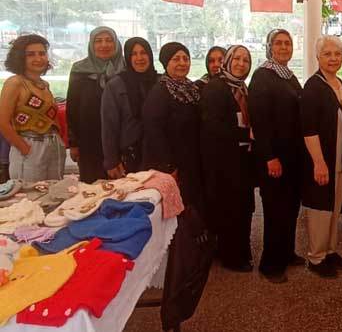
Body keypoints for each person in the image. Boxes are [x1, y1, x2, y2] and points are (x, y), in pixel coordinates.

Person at [142, 42, 211, 330]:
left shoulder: (192, 90)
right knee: (180, 230)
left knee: (192, 224)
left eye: (185, 58)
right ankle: (172, 299)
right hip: (173, 171)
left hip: (194, 167)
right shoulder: (160, 93)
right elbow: (153, 132)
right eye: (175, 59)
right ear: (165, 63)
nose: (182, 63)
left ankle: (186, 280)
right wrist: (169, 168)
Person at [249, 29, 304, 283]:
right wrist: (270, 157)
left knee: (291, 209)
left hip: (292, 157)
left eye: (288, 43)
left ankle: (287, 253)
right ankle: (270, 265)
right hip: (274, 158)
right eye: (278, 43)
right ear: (270, 47)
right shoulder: (263, 76)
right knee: (275, 211)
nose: (284, 47)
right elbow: (259, 121)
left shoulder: (288, 75)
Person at [301, 35, 342, 278]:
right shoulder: (313, 87)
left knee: (335, 206)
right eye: (327, 54)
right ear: (317, 57)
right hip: (322, 160)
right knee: (321, 209)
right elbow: (309, 129)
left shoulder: (338, 82)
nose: (333, 58)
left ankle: (330, 251)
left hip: (340, 160)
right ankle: (316, 257)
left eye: (338, 54)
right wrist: (319, 162)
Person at [201, 45, 255, 273]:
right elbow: (213, 128)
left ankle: (242, 250)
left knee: (243, 206)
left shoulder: (241, 87)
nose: (241, 63)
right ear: (228, 61)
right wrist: (247, 134)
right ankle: (231, 256)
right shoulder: (216, 88)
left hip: (242, 158)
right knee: (229, 209)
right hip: (223, 161)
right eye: (237, 59)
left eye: (246, 60)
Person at [0, 34, 65, 181]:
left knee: (54, 191)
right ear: (20, 57)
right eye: (30, 54)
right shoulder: (14, 83)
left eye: (42, 53)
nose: (38, 58)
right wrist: (24, 148)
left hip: (53, 146)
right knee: (30, 192)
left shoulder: (44, 84)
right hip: (29, 145)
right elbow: (3, 122)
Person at [67, 26, 124, 182]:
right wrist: (73, 143)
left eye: (109, 40)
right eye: (98, 41)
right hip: (89, 140)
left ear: (116, 43)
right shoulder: (79, 70)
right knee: (92, 188)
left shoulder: (126, 69)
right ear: (91, 45)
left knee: (122, 188)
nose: (104, 45)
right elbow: (72, 108)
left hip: (120, 141)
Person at [101, 37, 158, 178]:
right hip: (130, 156)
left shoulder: (160, 82)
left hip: (158, 154)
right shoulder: (115, 85)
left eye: (143, 52)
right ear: (127, 57)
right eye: (134, 54)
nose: (139, 58)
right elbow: (109, 126)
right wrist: (111, 161)